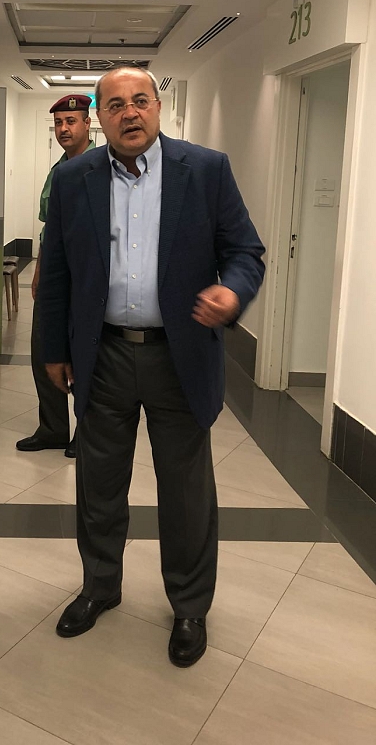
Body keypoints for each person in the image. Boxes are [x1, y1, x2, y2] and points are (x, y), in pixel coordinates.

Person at [39, 67, 265, 667]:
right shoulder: (74, 178)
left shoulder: (205, 170)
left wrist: (233, 292)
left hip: (179, 353)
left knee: (186, 491)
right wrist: (52, 350)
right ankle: (99, 586)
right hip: (103, 354)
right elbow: (56, 270)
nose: (129, 113)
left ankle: (189, 605)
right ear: (100, 117)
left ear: (158, 108)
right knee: (98, 483)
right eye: (115, 105)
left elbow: (245, 250)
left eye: (140, 100)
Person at [16, 94, 95, 459]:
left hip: (85, 277)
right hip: (53, 273)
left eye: (71, 121)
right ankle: (52, 428)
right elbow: (49, 226)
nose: (64, 129)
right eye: (59, 123)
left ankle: (86, 432)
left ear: (87, 124)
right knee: (43, 349)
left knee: (84, 355)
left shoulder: (102, 168)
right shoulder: (57, 170)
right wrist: (39, 270)